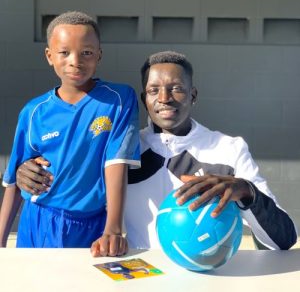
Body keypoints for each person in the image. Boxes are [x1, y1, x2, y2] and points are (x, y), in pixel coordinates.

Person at [14, 51, 297, 251]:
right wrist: (28, 172)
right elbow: (71, 187)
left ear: (193, 95)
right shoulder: (118, 153)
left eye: (176, 89)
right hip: (139, 278)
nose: (165, 98)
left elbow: (283, 239)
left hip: (210, 280)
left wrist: (246, 192)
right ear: (144, 99)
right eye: (154, 90)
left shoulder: (228, 149)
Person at [0, 11, 140, 256]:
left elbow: (116, 163)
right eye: (64, 52)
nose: (75, 61)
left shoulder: (118, 100)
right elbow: (13, 181)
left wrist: (113, 228)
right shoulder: (34, 112)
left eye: (86, 52)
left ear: (99, 55)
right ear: (49, 56)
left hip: (94, 224)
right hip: (40, 220)